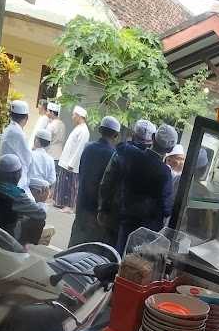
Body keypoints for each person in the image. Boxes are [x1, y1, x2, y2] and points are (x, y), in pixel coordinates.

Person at [99, 123, 177, 254]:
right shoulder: (164, 172)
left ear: (152, 137)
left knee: (118, 256)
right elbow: (166, 208)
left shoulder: (132, 155)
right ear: (170, 150)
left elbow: (121, 146)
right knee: (133, 265)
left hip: (126, 220)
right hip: (147, 229)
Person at [68, 115, 120, 247]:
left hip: (82, 201)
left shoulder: (88, 148)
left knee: (76, 239)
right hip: (97, 208)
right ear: (116, 135)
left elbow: (81, 172)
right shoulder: (113, 155)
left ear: (100, 130)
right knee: (90, 246)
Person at [0, 154, 45, 243]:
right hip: (1, 237)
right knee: (39, 220)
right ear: (17, 175)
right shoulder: (17, 196)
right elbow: (41, 214)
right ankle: (22, 245)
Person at [54, 105, 90, 212]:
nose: (72, 116)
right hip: (66, 161)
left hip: (72, 164)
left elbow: (79, 149)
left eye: (74, 115)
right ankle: (60, 202)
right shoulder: (78, 128)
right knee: (63, 183)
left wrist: (72, 163)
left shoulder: (84, 131)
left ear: (79, 116)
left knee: (72, 186)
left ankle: (70, 206)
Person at [0, 100, 33, 197]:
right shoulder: (18, 133)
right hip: (15, 176)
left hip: (3, 170)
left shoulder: (9, 129)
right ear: (26, 117)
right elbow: (27, 159)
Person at [46, 102, 66, 170]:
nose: (47, 113)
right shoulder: (62, 124)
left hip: (50, 154)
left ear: (52, 113)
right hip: (59, 155)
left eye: (48, 111)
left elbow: (46, 140)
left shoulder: (51, 125)